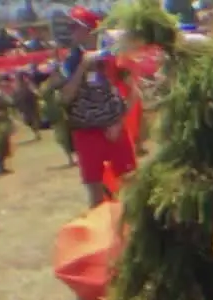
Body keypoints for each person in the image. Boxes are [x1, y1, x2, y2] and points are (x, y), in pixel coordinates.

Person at [57, 7, 134, 208]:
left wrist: (119, 122)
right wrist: (82, 67)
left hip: (114, 129)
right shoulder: (71, 60)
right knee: (95, 189)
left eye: (76, 27)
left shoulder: (113, 55)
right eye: (70, 27)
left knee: (131, 183)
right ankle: (101, 231)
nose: (71, 31)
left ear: (91, 29)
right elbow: (65, 98)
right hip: (86, 131)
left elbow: (135, 92)